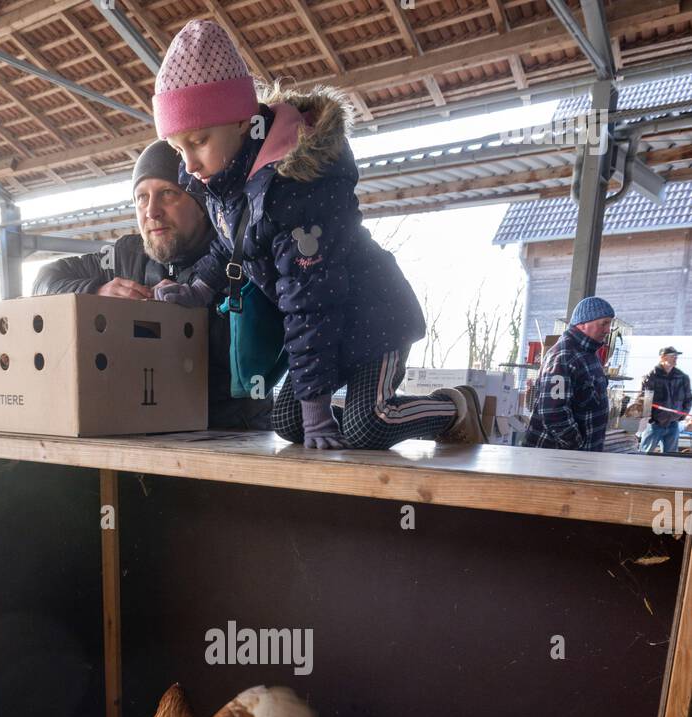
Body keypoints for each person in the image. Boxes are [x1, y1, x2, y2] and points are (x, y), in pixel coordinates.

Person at [149, 19, 486, 450]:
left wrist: (320, 414)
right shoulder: (229, 181)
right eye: (178, 148)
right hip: (327, 330)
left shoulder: (297, 191)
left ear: (240, 120)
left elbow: (309, 303)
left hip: (374, 318)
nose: (189, 164)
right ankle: (356, 415)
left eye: (197, 141)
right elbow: (230, 242)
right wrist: (199, 286)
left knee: (370, 423)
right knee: (288, 421)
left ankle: (453, 408)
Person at [32, 140, 271, 431]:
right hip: (141, 433)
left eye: (168, 193)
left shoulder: (240, 254)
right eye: (141, 198)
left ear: (201, 203)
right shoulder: (123, 257)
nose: (152, 211)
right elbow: (44, 280)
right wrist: (95, 291)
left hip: (235, 435)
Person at [523, 297, 615, 452]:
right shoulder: (564, 356)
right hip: (556, 459)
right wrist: (577, 448)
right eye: (604, 323)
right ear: (583, 324)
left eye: (609, 324)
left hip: (580, 457)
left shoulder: (589, 354)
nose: (608, 330)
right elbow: (553, 412)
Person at [639, 346, 692, 455]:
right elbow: (643, 400)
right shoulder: (650, 377)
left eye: (676, 356)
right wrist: (648, 418)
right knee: (644, 454)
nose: (675, 358)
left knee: (671, 458)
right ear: (662, 357)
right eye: (672, 356)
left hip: (673, 424)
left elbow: (688, 399)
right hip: (654, 424)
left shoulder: (682, 377)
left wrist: (682, 416)